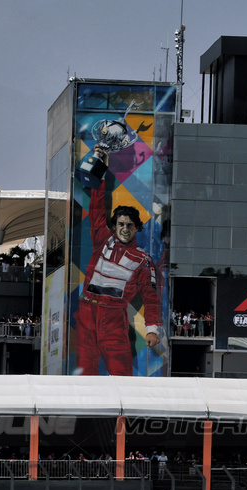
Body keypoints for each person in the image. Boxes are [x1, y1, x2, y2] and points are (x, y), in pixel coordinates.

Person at [73, 148, 163, 376]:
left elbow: (151, 298)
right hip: (86, 312)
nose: (125, 229)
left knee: (121, 373)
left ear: (137, 228)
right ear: (114, 226)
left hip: (113, 317)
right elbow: (96, 207)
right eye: (121, 224)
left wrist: (152, 330)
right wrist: (101, 170)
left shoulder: (143, 260)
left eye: (130, 225)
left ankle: (123, 402)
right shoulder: (102, 239)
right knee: (84, 373)